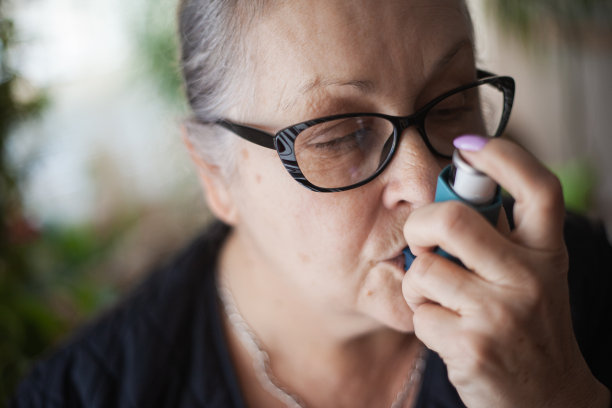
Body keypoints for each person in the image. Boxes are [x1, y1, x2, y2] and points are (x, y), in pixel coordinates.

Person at [10, 0, 612, 407]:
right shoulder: (90, 392)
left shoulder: (573, 291)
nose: (429, 182)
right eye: (341, 136)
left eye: (453, 102)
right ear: (215, 175)